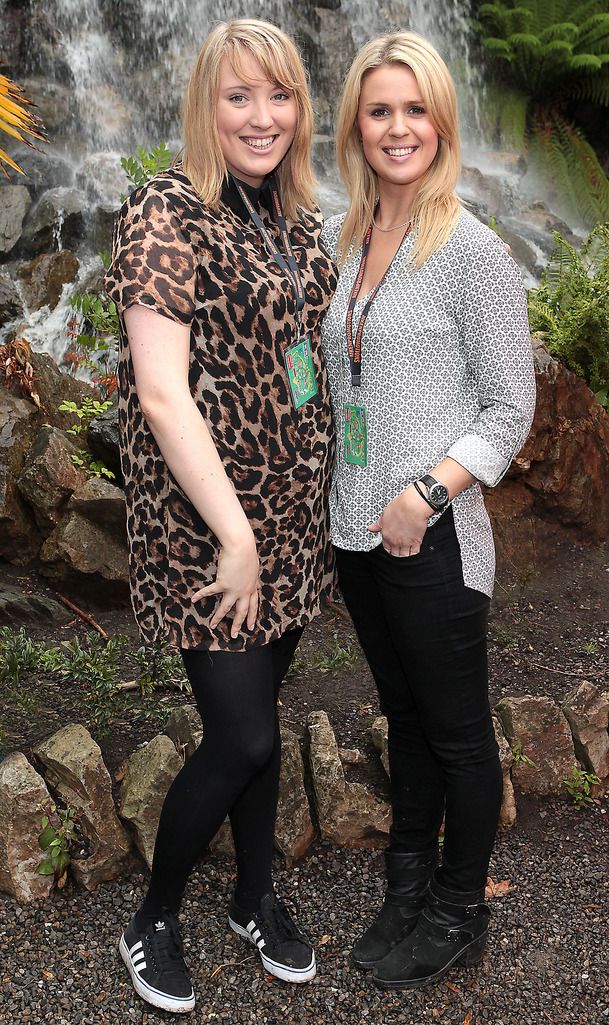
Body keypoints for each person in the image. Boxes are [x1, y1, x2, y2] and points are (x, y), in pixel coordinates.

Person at [104, 19, 337, 1013]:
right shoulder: (165, 207)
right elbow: (162, 393)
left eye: (279, 95)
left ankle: (252, 894)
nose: (262, 116)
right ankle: (152, 915)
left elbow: (316, 359)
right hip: (212, 526)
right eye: (239, 96)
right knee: (240, 737)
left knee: (262, 721)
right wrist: (236, 533)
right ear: (206, 103)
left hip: (289, 517)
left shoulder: (289, 213)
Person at [320, 32, 536, 990]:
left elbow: (510, 406)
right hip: (354, 534)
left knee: (454, 731)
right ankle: (403, 883)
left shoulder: (472, 250)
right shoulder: (345, 238)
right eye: (379, 111)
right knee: (402, 717)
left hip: (432, 533)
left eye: (414, 109)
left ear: (441, 121)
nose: (397, 127)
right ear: (356, 127)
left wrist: (425, 491)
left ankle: (457, 903)